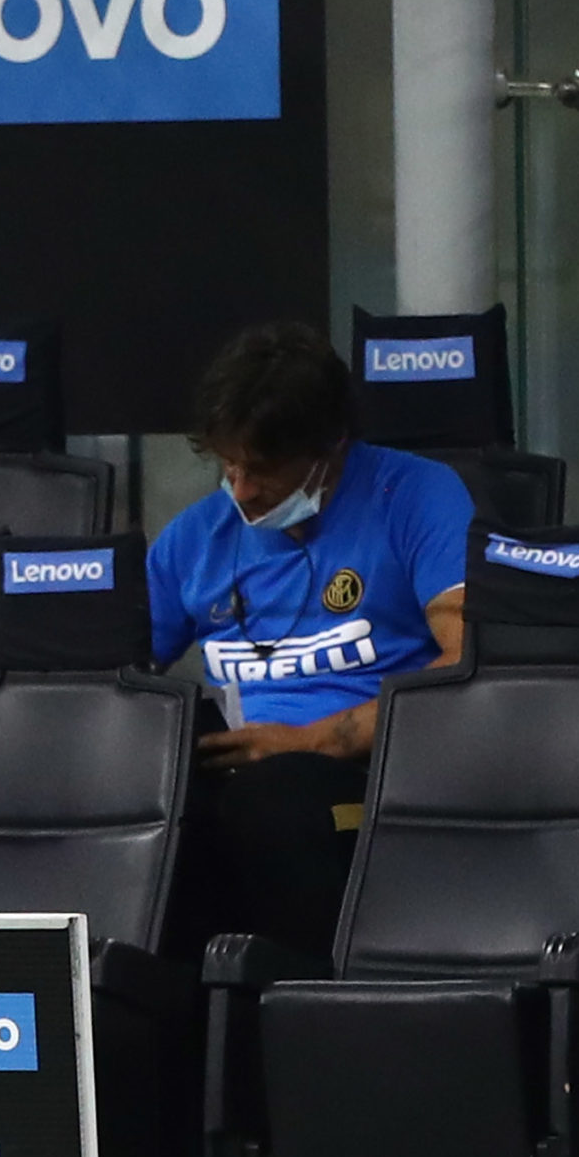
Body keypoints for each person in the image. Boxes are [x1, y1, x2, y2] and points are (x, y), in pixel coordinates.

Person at [148, 321, 474, 957]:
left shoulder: (416, 496)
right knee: (164, 814)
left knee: (271, 804)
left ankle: (295, 1005)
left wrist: (308, 741)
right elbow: (115, 671)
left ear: (331, 446)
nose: (241, 491)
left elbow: (468, 662)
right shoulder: (195, 537)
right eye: (229, 465)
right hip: (234, 771)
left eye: (262, 470)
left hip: (371, 775)